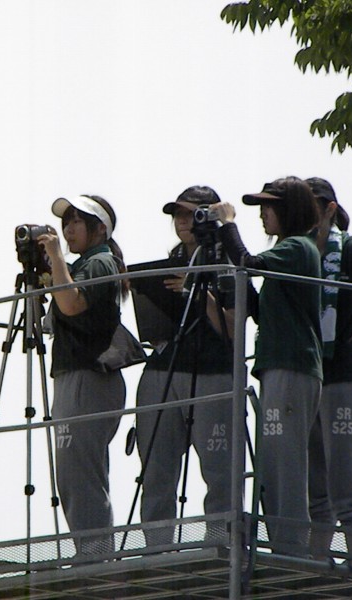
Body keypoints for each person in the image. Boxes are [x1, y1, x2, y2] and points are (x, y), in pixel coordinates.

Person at [215, 176, 322, 556]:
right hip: (279, 365)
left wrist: (228, 225)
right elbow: (262, 311)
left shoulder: (298, 247)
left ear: (288, 210)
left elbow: (249, 262)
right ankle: (283, 545)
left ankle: (292, 548)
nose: (262, 214)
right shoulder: (287, 251)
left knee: (286, 462)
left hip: (292, 366)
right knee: (273, 464)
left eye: (269, 207)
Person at [134, 185, 246, 545]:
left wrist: (197, 292)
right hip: (164, 368)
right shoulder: (170, 261)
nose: (182, 221)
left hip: (213, 372)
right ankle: (156, 552)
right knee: (156, 469)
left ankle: (222, 545)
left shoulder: (228, 262)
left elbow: (233, 328)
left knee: (219, 469)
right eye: (178, 215)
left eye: (190, 213)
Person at [37, 194, 129, 554]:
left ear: (100, 229)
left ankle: (95, 556)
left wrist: (57, 259)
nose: (68, 229)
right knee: (73, 473)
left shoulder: (100, 262)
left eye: (78, 221)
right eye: (66, 222)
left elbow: (72, 304)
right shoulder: (81, 265)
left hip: (88, 377)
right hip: (75, 376)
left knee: (80, 473)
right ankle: (91, 552)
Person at [304, 177, 352, 565]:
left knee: (348, 475)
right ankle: (319, 563)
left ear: (330, 208)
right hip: (307, 373)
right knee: (313, 482)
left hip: (345, 372)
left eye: (311, 205)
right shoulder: (296, 251)